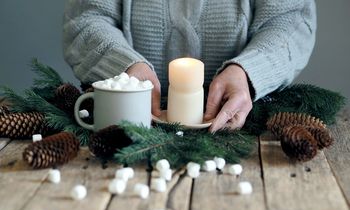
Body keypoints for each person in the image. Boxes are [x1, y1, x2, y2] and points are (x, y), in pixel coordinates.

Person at [63, 0, 316, 132]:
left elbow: (291, 19)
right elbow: (87, 19)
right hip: (131, 130)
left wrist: (248, 72)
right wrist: (126, 69)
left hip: (242, 130)